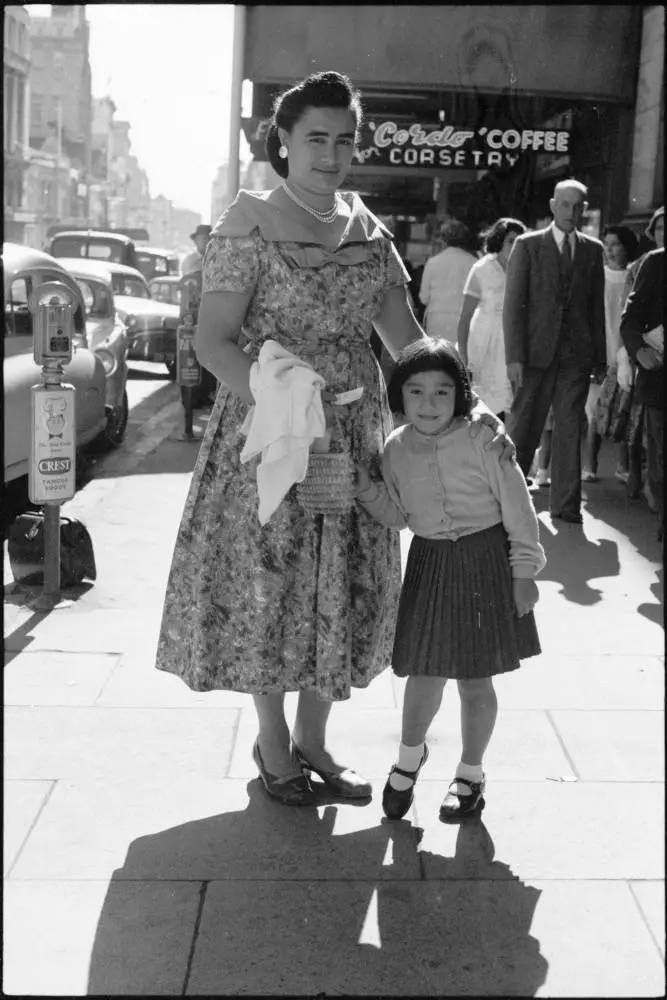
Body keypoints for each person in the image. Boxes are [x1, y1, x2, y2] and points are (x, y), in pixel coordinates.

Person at [154, 71, 511, 807]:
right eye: (315, 138)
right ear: (282, 142)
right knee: (269, 583)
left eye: (344, 140)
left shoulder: (366, 230)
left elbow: (407, 344)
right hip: (271, 435)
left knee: (342, 584)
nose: (331, 153)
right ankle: (274, 743)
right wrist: (285, 408)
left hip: (350, 435)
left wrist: (466, 411)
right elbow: (215, 342)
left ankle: (315, 741)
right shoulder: (245, 222)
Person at [354, 338, 544, 821]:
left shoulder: (485, 439)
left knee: (476, 680)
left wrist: (525, 573)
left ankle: (470, 774)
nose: (428, 404)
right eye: (415, 392)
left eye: (442, 392)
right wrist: (366, 491)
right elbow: (397, 517)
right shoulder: (394, 451)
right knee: (424, 673)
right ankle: (408, 757)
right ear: (400, 398)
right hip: (430, 565)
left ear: (460, 395)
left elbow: (519, 511)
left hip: (487, 564)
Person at [503, 178, 606, 523]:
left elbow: (596, 309)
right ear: (552, 205)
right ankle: (509, 501)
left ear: (584, 209)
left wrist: (600, 358)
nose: (571, 212)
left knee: (569, 427)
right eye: (565, 204)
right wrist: (514, 357)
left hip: (576, 355)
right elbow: (513, 306)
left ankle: (565, 506)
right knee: (523, 427)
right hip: (533, 354)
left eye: (578, 206)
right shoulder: (528, 246)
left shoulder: (593, 250)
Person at [581, 225, 638, 482]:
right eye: (607, 244)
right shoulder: (597, 276)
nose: (610, 249)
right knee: (595, 411)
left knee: (625, 408)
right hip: (601, 352)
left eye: (616, 244)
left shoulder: (634, 274)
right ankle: (589, 465)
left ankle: (622, 466)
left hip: (625, 352)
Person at [457, 217, 528, 420]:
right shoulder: (481, 269)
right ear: (499, 241)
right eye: (511, 240)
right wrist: (463, 355)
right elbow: (465, 316)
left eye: (519, 241)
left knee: (512, 404)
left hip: (512, 342)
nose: (515, 246)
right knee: (481, 402)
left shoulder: (525, 269)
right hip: (483, 341)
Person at [620, 247, 664, 541]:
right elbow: (630, 320)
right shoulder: (657, 262)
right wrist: (639, 350)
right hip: (661, 379)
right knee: (661, 456)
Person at [419, 220, 477, 341]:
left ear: (444, 239)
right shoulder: (474, 263)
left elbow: (423, 298)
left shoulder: (433, 262)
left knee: (438, 357)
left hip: (436, 319)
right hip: (464, 320)